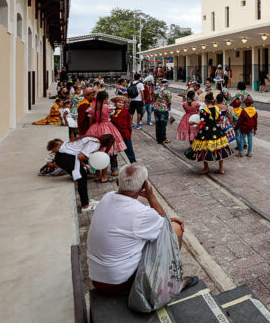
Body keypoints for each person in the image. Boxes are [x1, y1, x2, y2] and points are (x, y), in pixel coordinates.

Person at [87, 164, 197, 295]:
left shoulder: (107, 197)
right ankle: (171, 282)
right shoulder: (141, 213)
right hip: (119, 282)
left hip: (97, 278)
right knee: (176, 229)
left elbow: (158, 221)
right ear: (144, 185)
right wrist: (151, 196)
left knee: (157, 229)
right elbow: (167, 229)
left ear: (117, 182)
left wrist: (163, 220)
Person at [52, 134, 116, 209]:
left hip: (62, 156)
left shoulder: (93, 139)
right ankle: (85, 205)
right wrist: (93, 159)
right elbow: (81, 156)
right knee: (82, 177)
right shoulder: (96, 144)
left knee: (82, 175)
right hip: (64, 157)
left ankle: (86, 201)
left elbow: (79, 153)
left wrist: (82, 164)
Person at [185, 92, 233, 174]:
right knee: (219, 147)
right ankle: (221, 169)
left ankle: (206, 168)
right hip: (217, 130)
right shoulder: (217, 108)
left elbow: (203, 123)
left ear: (206, 101)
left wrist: (194, 123)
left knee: (204, 148)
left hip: (206, 132)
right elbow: (218, 119)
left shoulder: (203, 111)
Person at [87, 90, 127, 180]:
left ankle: (97, 175)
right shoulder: (108, 107)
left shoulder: (92, 108)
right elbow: (112, 116)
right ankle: (104, 176)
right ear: (106, 98)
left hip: (94, 128)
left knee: (96, 151)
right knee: (105, 152)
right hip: (106, 128)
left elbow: (90, 120)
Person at [110, 96, 136, 163]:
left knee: (129, 150)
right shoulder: (112, 112)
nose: (121, 104)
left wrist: (129, 134)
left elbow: (128, 124)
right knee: (114, 151)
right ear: (115, 103)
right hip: (115, 135)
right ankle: (114, 167)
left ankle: (133, 163)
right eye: (119, 102)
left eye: (122, 103)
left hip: (125, 134)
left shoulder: (125, 112)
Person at [153, 80, 173, 144]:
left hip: (156, 109)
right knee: (163, 125)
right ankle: (163, 139)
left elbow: (154, 98)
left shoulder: (156, 90)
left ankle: (158, 139)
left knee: (158, 124)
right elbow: (169, 102)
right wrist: (168, 106)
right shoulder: (167, 92)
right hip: (163, 110)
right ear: (166, 85)